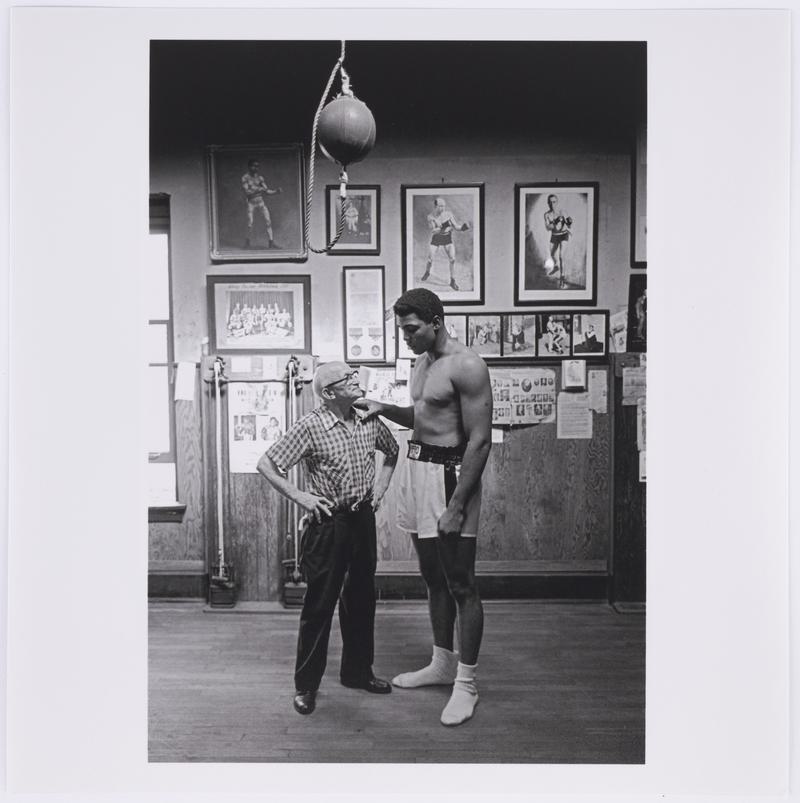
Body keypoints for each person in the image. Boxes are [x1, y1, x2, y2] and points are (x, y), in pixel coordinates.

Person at [353, 287, 492, 727]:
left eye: (412, 330)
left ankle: (466, 684)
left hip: (450, 477)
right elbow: (423, 417)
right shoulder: (422, 362)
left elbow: (480, 439)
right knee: (432, 577)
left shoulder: (467, 365)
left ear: (436, 320)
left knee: (461, 582)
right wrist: (384, 408)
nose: (406, 338)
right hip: (417, 470)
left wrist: (456, 505)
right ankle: (442, 663)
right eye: (402, 330)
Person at [256, 363, 399, 716]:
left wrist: (379, 489)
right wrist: (303, 498)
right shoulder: (310, 426)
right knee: (319, 607)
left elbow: (392, 452)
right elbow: (267, 464)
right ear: (329, 392)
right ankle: (306, 686)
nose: (356, 380)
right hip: (328, 524)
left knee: (362, 601)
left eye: (354, 375)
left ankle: (357, 673)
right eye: (348, 378)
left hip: (361, 520)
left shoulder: (368, 419)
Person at [421, 197, 470, 291]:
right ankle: (427, 272)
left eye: (444, 206)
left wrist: (463, 228)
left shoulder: (448, 214)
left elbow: (456, 226)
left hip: (447, 238)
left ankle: (452, 280)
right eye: (440, 206)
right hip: (437, 238)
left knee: (452, 259)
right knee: (430, 259)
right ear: (435, 206)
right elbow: (433, 231)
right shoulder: (430, 216)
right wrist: (443, 226)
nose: (442, 208)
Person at [241, 159, 283, 249]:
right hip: (251, 203)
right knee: (250, 223)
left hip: (260, 202)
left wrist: (276, 191)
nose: (255, 168)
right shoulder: (245, 178)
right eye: (253, 166)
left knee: (268, 221)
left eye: (257, 166)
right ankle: (247, 243)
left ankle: (271, 242)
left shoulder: (260, 178)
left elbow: (266, 191)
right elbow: (247, 192)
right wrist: (259, 189)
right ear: (249, 166)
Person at [543, 194, 572, 285]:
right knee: (552, 254)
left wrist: (569, 222)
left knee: (561, 256)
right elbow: (548, 227)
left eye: (554, 202)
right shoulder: (547, 214)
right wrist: (556, 221)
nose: (552, 204)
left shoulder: (562, 212)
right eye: (550, 202)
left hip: (563, 235)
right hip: (555, 235)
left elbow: (569, 225)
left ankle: (562, 277)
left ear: (557, 202)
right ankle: (556, 266)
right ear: (548, 203)